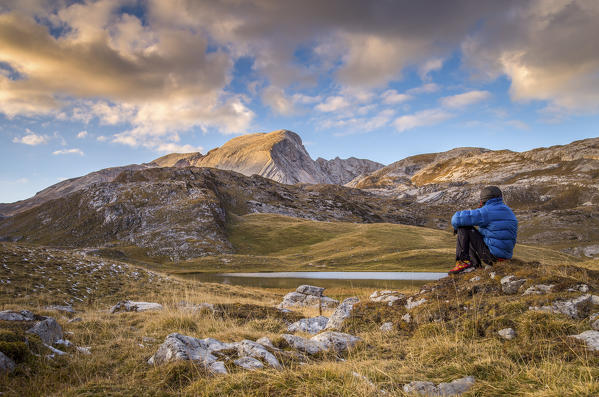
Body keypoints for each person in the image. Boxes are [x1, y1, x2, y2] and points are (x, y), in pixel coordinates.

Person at [448, 186, 518, 274]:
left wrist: (456, 228)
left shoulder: (486, 211)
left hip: (492, 257)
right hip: (505, 257)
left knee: (464, 227)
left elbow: (456, 219)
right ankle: (475, 265)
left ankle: (464, 262)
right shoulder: (508, 211)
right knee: (470, 232)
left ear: (483, 199)